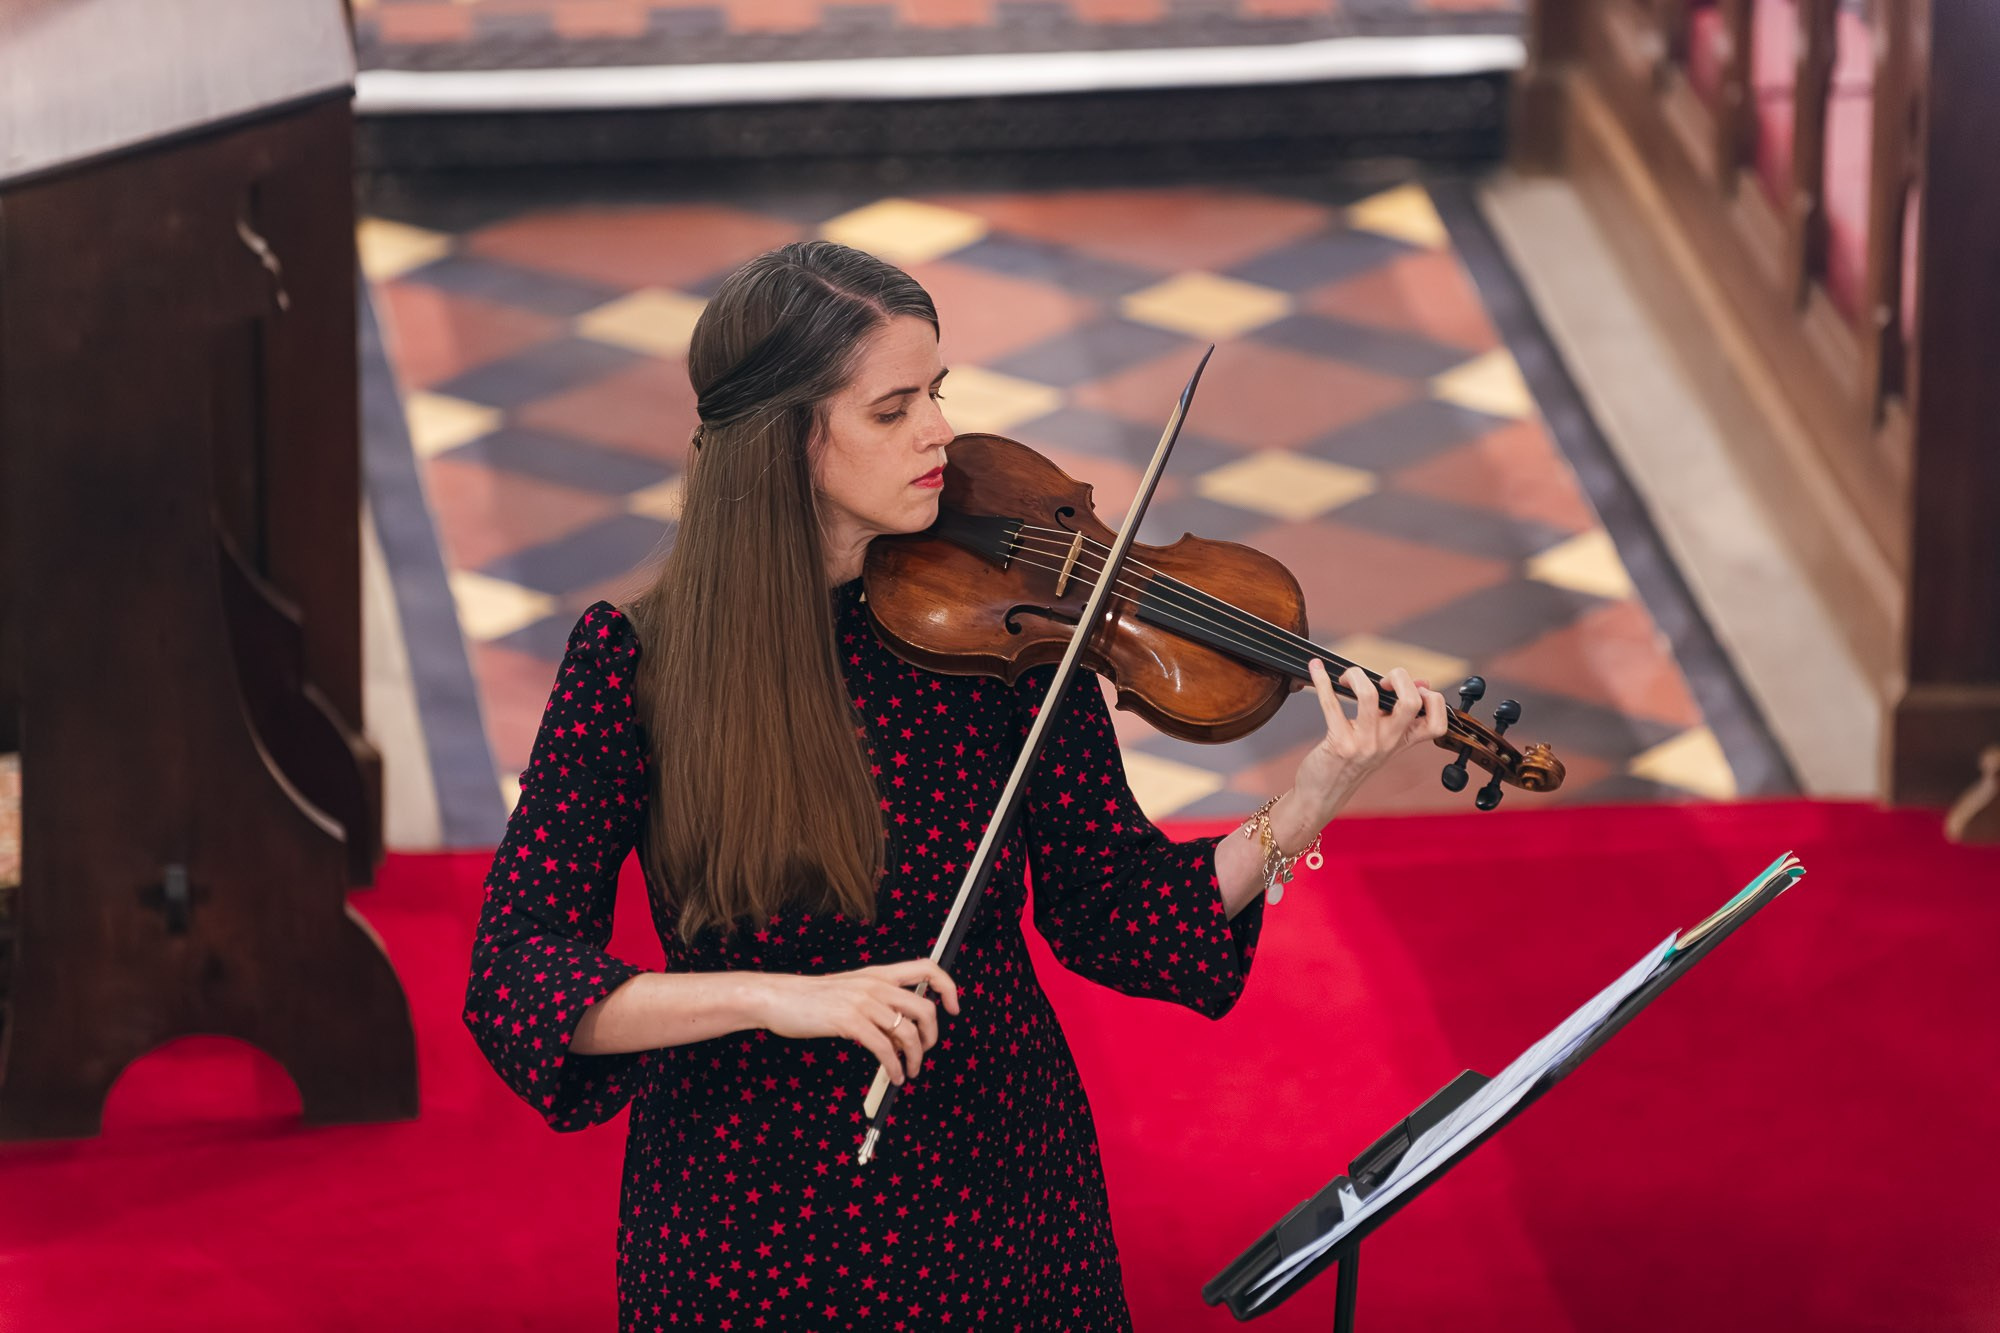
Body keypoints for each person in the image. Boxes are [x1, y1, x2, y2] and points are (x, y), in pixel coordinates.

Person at [463, 240, 1449, 1330]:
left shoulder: (1002, 626)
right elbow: (515, 973)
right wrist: (772, 995)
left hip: (994, 1177)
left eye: (937, 391)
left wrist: (1308, 798)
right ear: (787, 440)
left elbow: (1114, 910)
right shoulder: (637, 662)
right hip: (745, 1213)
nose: (939, 430)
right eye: (892, 409)